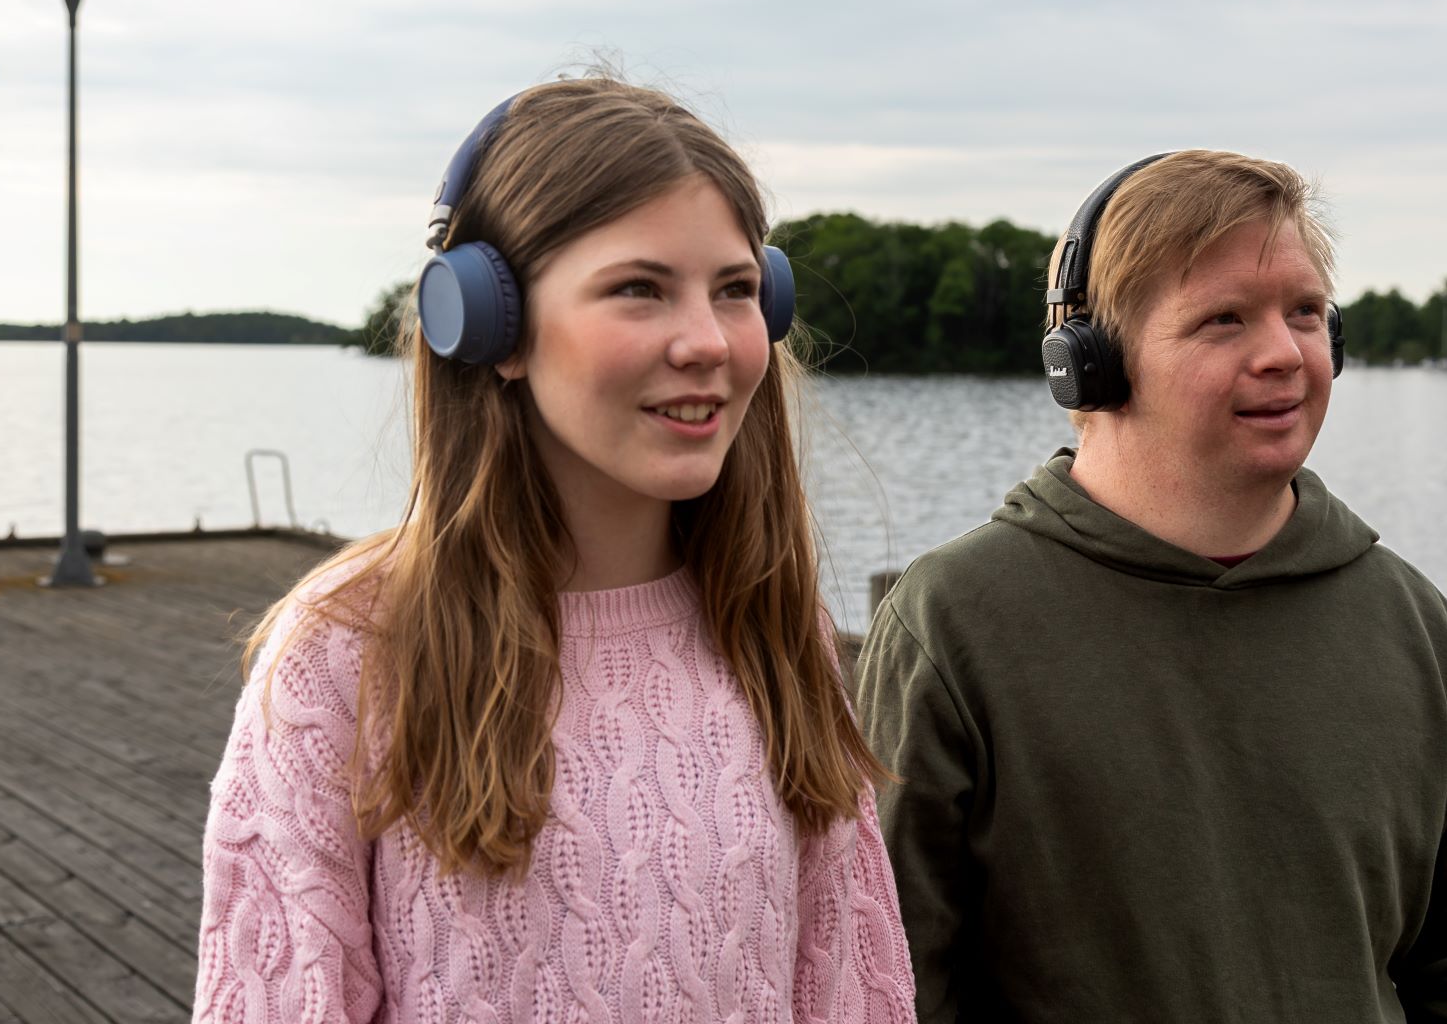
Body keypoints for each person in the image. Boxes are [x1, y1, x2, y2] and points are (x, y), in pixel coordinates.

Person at [193, 78, 915, 1024]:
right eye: (639, 289)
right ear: (490, 324)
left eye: (736, 290)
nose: (708, 342)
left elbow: (852, 993)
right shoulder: (344, 655)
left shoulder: (778, 632)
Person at [855, 150, 1447, 1022]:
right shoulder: (954, 626)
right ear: (1090, 363)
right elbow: (890, 987)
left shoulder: (1418, 628)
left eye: (1305, 313)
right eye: (1224, 320)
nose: (1285, 354)